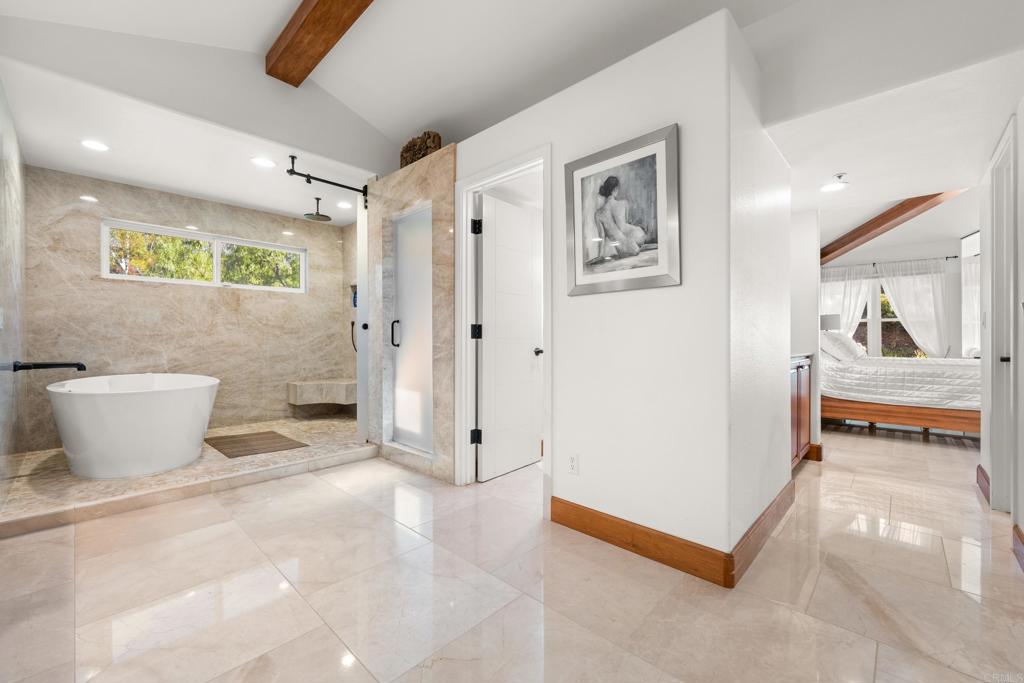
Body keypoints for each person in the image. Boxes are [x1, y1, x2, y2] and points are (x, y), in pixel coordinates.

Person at [594, 176, 648, 259]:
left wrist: (599, 256)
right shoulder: (623, 204)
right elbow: (624, 228)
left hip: (622, 251)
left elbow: (602, 237)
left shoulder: (598, 214)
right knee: (637, 231)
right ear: (615, 189)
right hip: (633, 246)